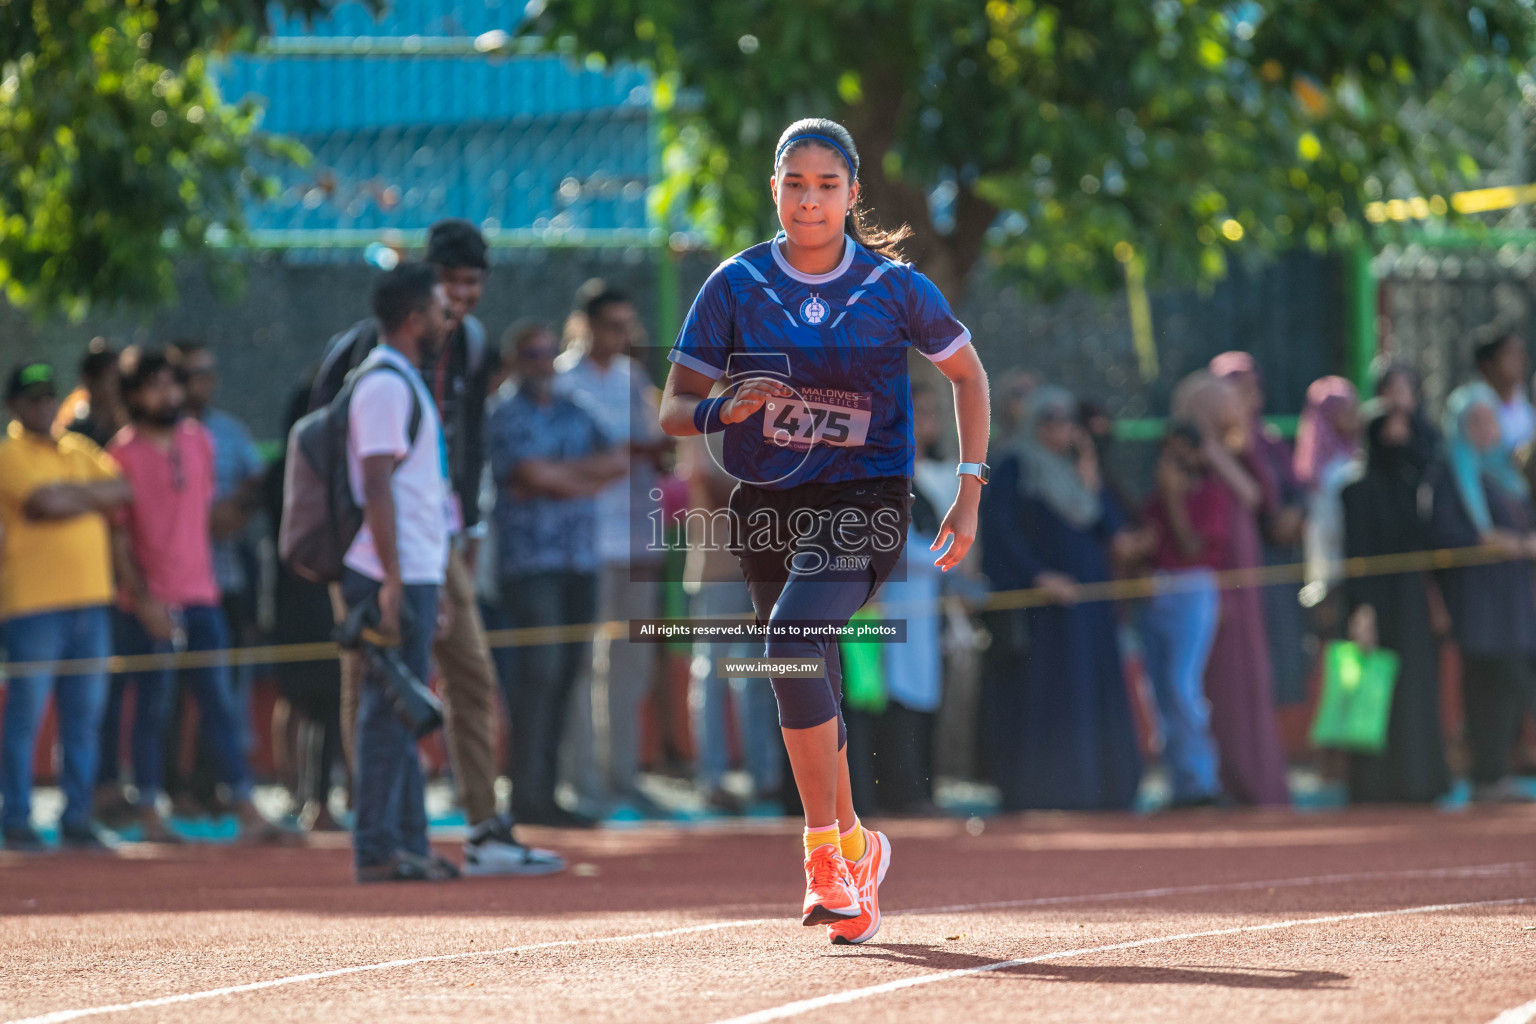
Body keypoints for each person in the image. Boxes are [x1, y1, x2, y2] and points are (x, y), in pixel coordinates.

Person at [659, 116, 991, 945]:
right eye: (796, 183)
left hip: (869, 503)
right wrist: (720, 407)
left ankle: (819, 859)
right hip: (767, 507)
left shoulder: (893, 287)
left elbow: (967, 374)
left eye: (828, 184)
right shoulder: (734, 285)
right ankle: (856, 847)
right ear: (774, 190)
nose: (811, 199)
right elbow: (672, 409)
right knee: (808, 666)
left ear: (851, 194)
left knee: (792, 636)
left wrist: (968, 490)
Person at [318, 221, 555, 875]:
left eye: (473, 284)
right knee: (376, 683)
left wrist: (470, 528)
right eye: (450, 284)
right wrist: (352, 550)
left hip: (436, 533)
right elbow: (331, 449)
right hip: (373, 539)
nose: (461, 297)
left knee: (470, 673)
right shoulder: (374, 354)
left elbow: (470, 440)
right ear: (422, 293)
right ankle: (383, 831)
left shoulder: (471, 346)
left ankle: (480, 828)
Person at [102, 348, 280, 842]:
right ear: (134, 394)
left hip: (203, 594)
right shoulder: (120, 455)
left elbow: (205, 514)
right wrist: (144, 599)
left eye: (172, 384)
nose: (168, 394)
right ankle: (152, 812)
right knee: (153, 709)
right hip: (146, 605)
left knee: (220, 703)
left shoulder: (199, 441)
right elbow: (118, 537)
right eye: (155, 385)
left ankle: (245, 805)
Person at [343, 264, 457, 881]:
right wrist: (391, 579)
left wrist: (426, 580)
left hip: (413, 570)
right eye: (441, 308)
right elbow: (377, 487)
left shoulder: (404, 380)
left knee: (409, 709)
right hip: (390, 571)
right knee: (388, 711)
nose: (448, 318)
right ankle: (377, 848)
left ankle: (407, 842)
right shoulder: (384, 385)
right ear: (415, 319)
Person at [489, 321, 627, 828]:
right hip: (529, 565)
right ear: (517, 358)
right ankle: (525, 795)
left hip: (578, 560)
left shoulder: (574, 408)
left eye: (548, 352)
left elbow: (618, 461)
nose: (542, 361)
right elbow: (527, 473)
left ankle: (548, 793)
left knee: (567, 676)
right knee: (537, 675)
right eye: (531, 352)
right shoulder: (504, 412)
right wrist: (577, 479)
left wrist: (560, 480)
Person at [979, 385, 1141, 812]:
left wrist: (1089, 470)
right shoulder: (1015, 464)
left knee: (1091, 691)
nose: (1059, 429)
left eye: (1067, 420)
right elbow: (999, 531)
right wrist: (1038, 576)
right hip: (1043, 612)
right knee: (1049, 695)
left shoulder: (1077, 471)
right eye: (1049, 420)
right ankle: (1049, 792)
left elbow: (1108, 527)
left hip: (1089, 611)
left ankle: (1101, 790)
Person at [0, 362, 130, 851]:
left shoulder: (79, 448)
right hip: (33, 606)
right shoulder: (8, 453)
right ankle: (16, 817)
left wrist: (67, 493)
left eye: (48, 396)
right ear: (14, 405)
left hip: (92, 603)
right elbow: (41, 506)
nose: (43, 405)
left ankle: (78, 816)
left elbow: (123, 491)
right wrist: (87, 497)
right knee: (26, 718)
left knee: (85, 718)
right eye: (32, 398)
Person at [554, 283, 672, 819]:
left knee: (631, 663)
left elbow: (657, 451)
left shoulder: (633, 378)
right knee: (581, 665)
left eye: (626, 325)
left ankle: (624, 777)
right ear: (585, 324)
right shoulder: (561, 380)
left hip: (636, 538)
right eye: (610, 324)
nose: (620, 335)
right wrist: (623, 453)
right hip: (583, 543)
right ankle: (581, 782)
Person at [161, 339, 267, 818]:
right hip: (167, 583)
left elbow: (258, 481)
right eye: (191, 373)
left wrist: (235, 508)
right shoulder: (158, 438)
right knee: (166, 695)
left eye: (207, 372)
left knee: (221, 692)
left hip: (221, 580)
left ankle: (220, 787)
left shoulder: (227, 431)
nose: (202, 381)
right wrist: (204, 519)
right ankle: (171, 790)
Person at [1178, 372, 1290, 806]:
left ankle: (1258, 780)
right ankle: (1225, 780)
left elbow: (1263, 496)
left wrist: (1237, 448)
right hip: (1215, 590)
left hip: (1245, 585)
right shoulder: (1190, 456)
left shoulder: (1235, 450)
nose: (1238, 409)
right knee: (1220, 686)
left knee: (1251, 681)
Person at [1428, 382, 1536, 803]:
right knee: (1491, 681)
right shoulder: (1449, 472)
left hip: (1514, 597)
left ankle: (1496, 773)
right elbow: (1444, 534)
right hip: (1476, 598)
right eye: (1475, 419)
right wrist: (1494, 543)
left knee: (1511, 682)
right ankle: (1486, 775)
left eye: (1490, 417)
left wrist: (1520, 543)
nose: (1485, 427)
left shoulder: (1506, 473)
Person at [1340, 407, 1450, 804]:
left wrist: (1435, 603)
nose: (1401, 436)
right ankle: (1375, 788)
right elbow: (1357, 553)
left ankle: (1420, 782)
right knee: (1375, 693)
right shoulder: (1357, 489)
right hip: (1377, 605)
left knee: (1416, 691)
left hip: (1413, 605)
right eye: (1393, 427)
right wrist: (1362, 611)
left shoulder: (1416, 484)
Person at [681, 433, 782, 815]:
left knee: (758, 676)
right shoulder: (705, 421)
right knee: (712, 675)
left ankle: (764, 777)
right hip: (718, 571)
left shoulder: (771, 419)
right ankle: (712, 780)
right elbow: (712, 482)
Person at [1135, 418, 1232, 809]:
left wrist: (1174, 497)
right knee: (1157, 689)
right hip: (1158, 590)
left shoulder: (1210, 494)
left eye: (1180, 450)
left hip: (1193, 588)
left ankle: (1202, 781)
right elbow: (1147, 546)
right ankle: (1179, 784)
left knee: (1182, 684)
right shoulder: (1154, 500)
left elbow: (1191, 547)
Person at [1210, 352, 1309, 706]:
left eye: (1253, 388)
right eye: (1239, 389)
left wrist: (1294, 515)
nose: (1250, 396)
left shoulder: (1270, 441)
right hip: (1237, 563)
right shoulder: (1212, 447)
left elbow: (1295, 490)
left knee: (1281, 652)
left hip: (1277, 561)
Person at [1294, 376, 1361, 607]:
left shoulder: (1357, 456)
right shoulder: (1326, 471)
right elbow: (1323, 530)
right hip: (1333, 570)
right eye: (1346, 409)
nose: (1354, 415)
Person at [57, 339, 126, 448]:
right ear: (89, 381)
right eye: (111, 380)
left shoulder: (132, 424)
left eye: (121, 380)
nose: (118, 387)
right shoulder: (78, 429)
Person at [1474, 331, 1534, 454]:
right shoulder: (1476, 406)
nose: (1520, 360)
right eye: (1510, 354)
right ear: (1488, 364)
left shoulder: (1523, 402)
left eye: (1521, 353)